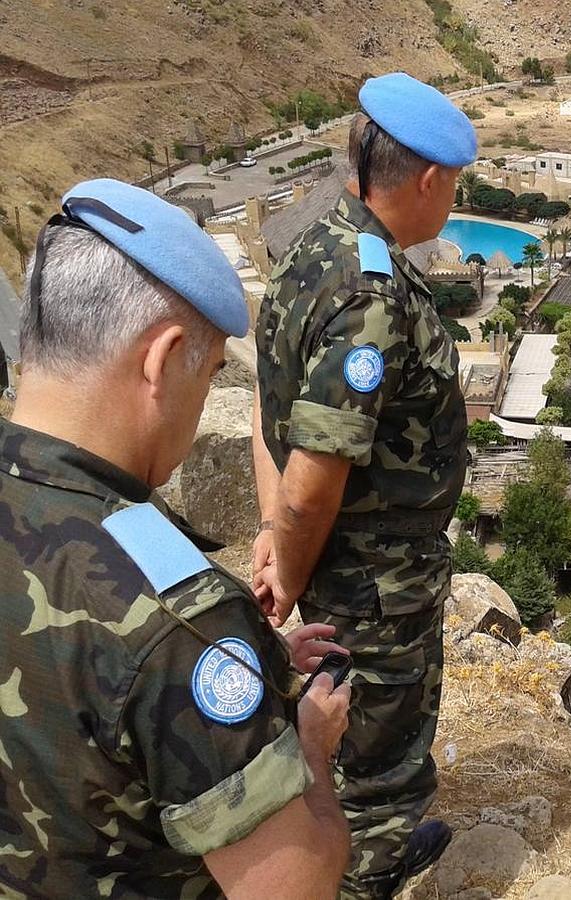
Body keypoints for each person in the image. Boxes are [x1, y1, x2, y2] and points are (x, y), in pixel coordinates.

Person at [0, 178, 352, 898]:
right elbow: (293, 885)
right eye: (212, 370)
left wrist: (249, 671)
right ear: (161, 361)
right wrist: (307, 745)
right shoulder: (182, 624)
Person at [252, 72, 475, 898]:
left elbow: (269, 407)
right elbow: (316, 476)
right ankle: (363, 876)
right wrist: (291, 556)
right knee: (380, 765)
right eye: (454, 184)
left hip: (347, 564)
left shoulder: (315, 247)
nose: (452, 198)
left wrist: (276, 537)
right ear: (427, 181)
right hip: (376, 578)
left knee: (350, 737)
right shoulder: (371, 298)